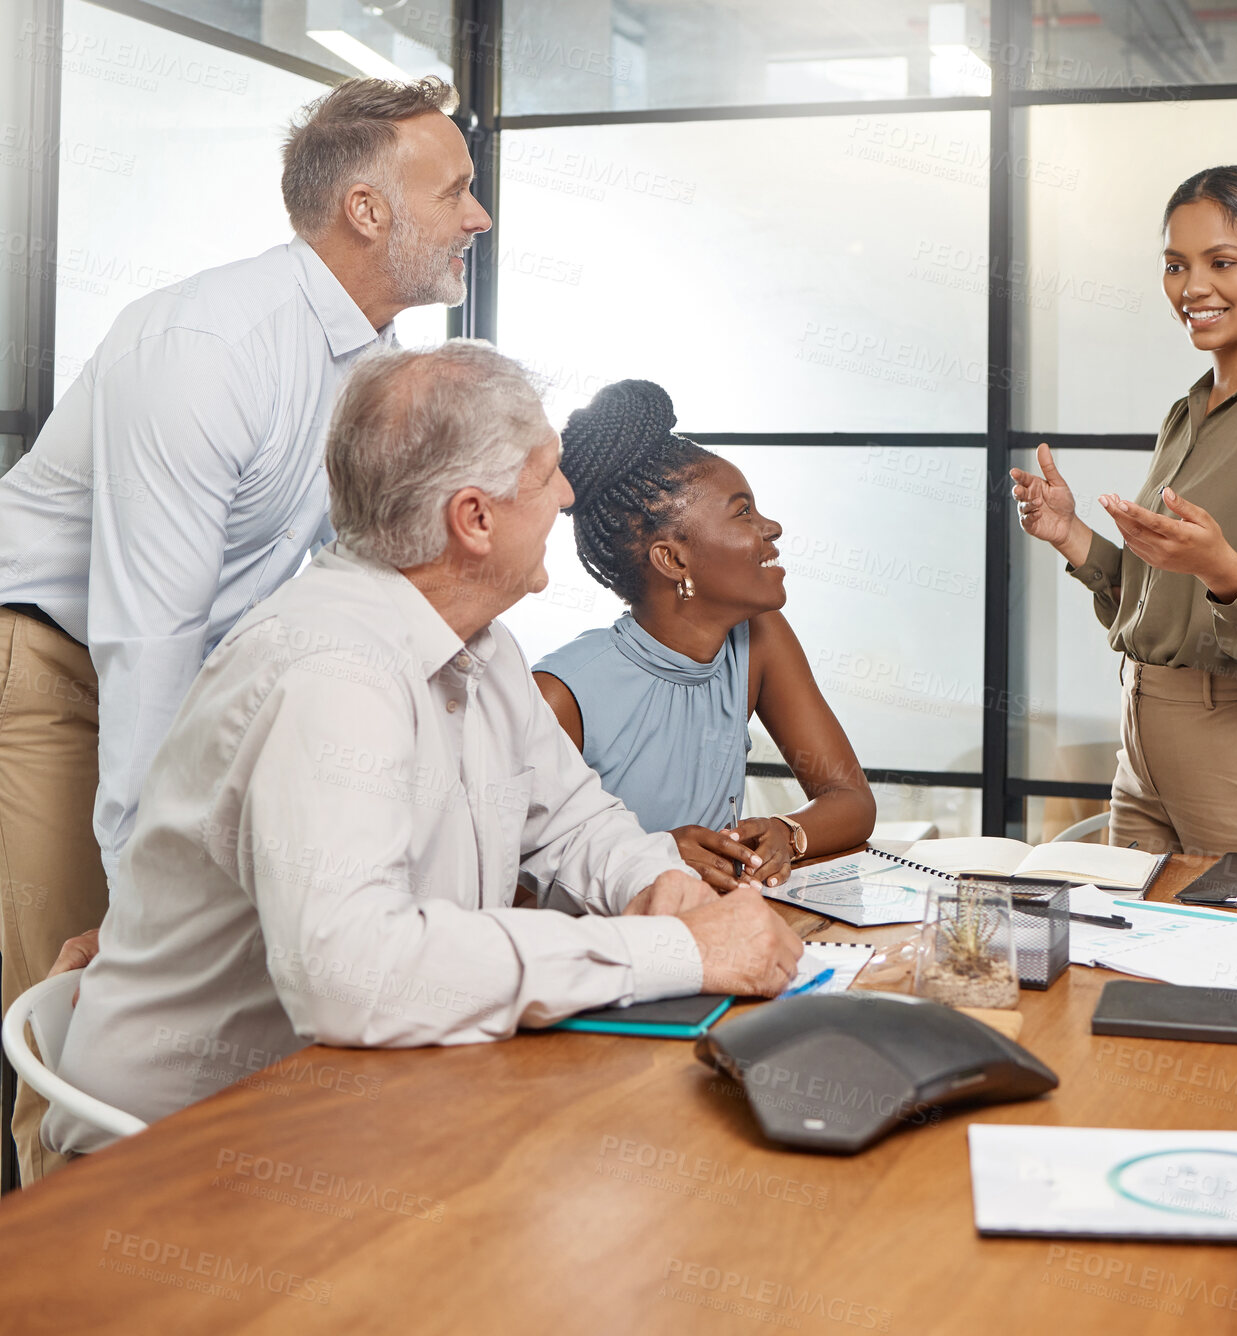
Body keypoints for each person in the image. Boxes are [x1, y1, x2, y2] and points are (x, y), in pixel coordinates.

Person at [42, 343, 802, 1157]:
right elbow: (355, 977)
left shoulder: (482, 642)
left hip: (354, 1114)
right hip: (171, 1161)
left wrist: (656, 882)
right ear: (474, 519)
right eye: (546, 476)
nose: (569, 494)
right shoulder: (331, 671)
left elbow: (574, 819)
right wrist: (671, 951)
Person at [0, 76, 490, 1184]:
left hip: (195, 672)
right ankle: (61, 1274)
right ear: (367, 211)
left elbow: (338, 588)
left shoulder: (373, 372)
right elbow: (146, 637)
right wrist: (141, 904)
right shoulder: (206, 347)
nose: (479, 217)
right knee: (95, 1004)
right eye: (455, 190)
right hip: (50, 664)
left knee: (235, 991)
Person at [1010, 165, 1237, 858]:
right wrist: (1072, 537)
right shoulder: (1188, 413)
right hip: (1146, 752)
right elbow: (1166, 600)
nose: (1192, 288)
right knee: (1124, 963)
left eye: (1222, 262)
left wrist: (1227, 572)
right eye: (1175, 265)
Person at [532, 380, 876, 892]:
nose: (772, 527)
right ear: (673, 559)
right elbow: (511, 888)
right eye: (743, 512)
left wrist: (788, 830)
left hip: (722, 935)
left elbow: (850, 798)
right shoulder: (560, 695)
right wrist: (650, 861)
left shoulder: (757, 639)